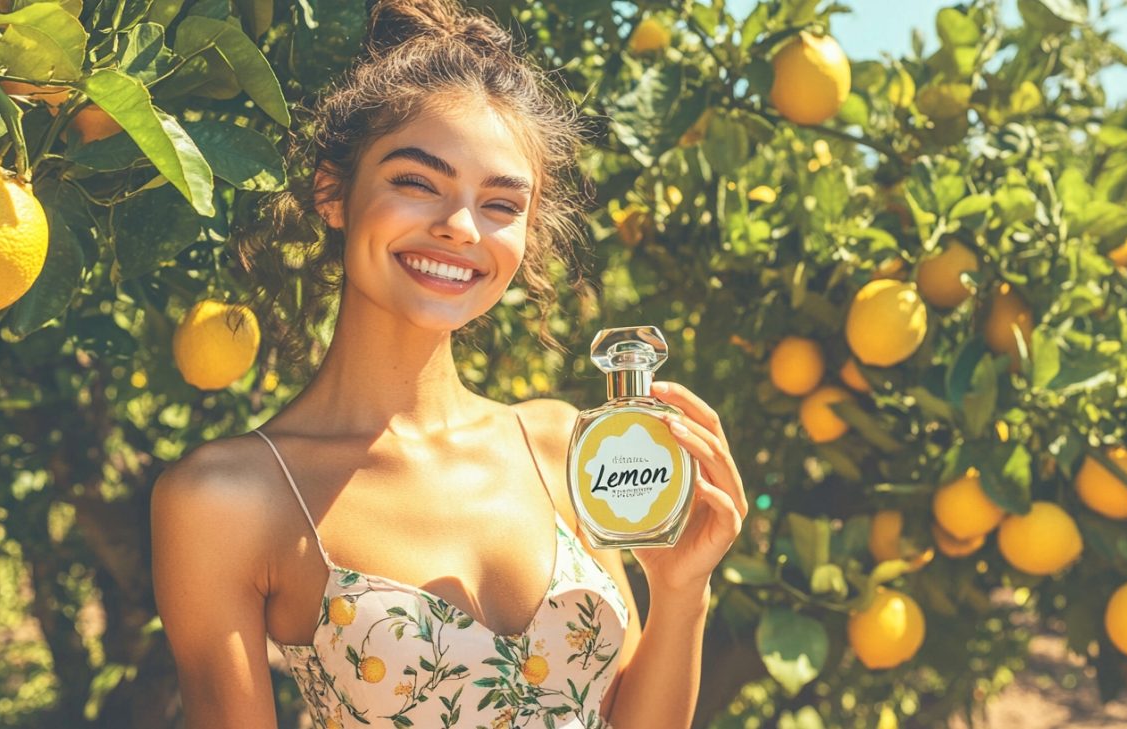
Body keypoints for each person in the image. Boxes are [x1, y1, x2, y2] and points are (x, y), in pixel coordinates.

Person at [149, 1, 747, 727]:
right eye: (417, 181)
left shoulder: (564, 446)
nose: (461, 227)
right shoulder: (227, 500)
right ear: (333, 192)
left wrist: (684, 591)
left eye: (500, 203)